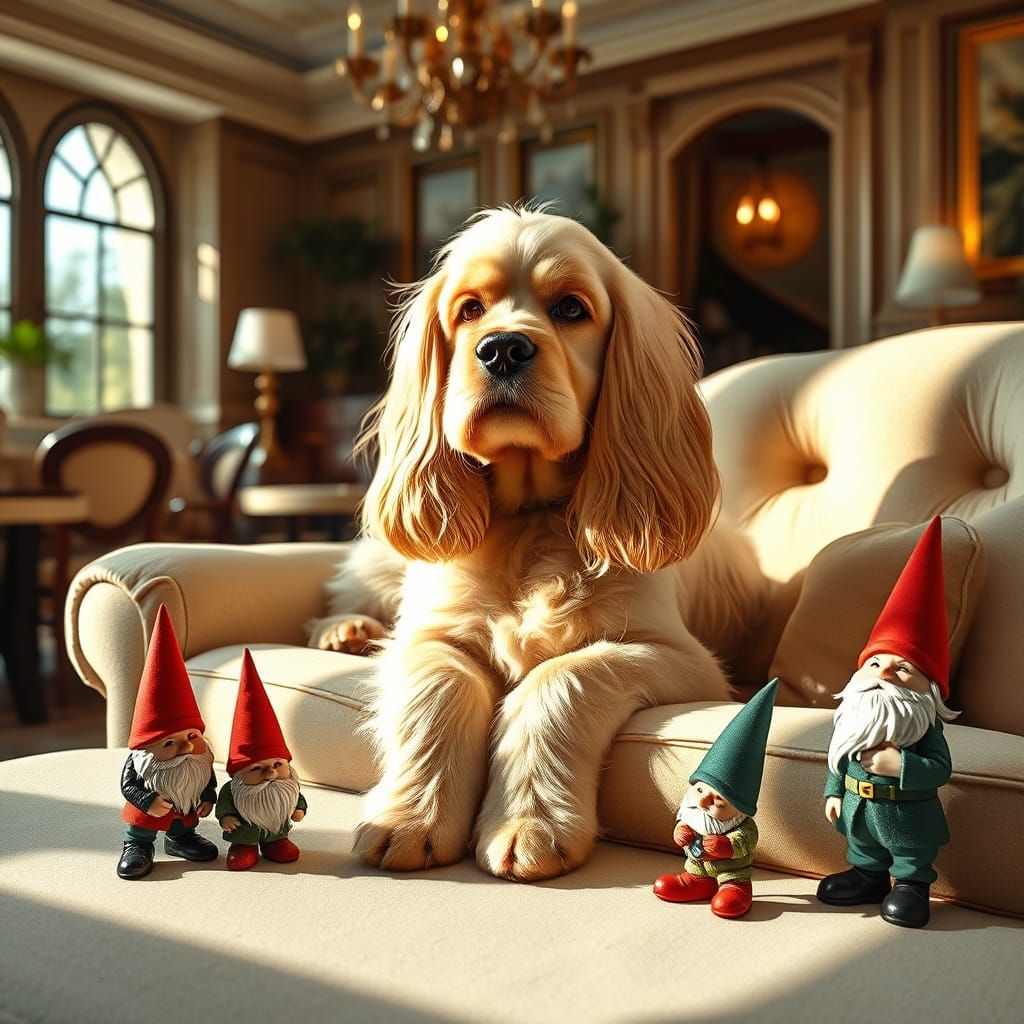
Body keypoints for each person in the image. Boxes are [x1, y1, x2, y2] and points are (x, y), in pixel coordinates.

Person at [817, 516, 959, 928]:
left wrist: (901, 766)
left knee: (910, 851)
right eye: (875, 663)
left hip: (907, 817)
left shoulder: (922, 727)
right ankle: (868, 876)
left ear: (927, 690)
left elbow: (940, 769)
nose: (883, 673)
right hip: (857, 809)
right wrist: (833, 793)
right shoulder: (855, 717)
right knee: (863, 846)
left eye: (902, 668)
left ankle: (911, 886)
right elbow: (840, 758)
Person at [653, 678, 777, 918]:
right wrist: (681, 831)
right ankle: (697, 882)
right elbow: (683, 822)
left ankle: (735, 888)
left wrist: (727, 846)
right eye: (700, 791)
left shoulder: (742, 825)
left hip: (732, 873)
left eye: (717, 800)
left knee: (732, 883)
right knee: (693, 869)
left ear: (739, 809)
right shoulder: (693, 813)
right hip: (697, 866)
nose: (702, 802)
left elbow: (746, 840)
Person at [118, 605, 218, 880]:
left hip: (184, 808)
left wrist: (208, 797)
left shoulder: (200, 761)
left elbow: (208, 781)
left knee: (183, 822)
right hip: (149, 810)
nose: (186, 748)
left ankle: (180, 840)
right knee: (143, 825)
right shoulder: (140, 763)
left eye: (191, 737)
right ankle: (137, 845)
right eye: (169, 742)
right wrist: (146, 800)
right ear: (146, 748)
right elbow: (128, 786)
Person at [216, 649, 307, 871]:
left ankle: (275, 843)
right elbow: (224, 806)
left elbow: (298, 799)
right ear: (239, 774)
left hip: (277, 829)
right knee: (244, 848)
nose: (271, 774)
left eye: (278, 765)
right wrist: (226, 818)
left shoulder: (288, 787)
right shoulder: (234, 791)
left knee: (283, 848)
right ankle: (243, 847)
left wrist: (298, 810)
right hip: (244, 833)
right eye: (257, 768)